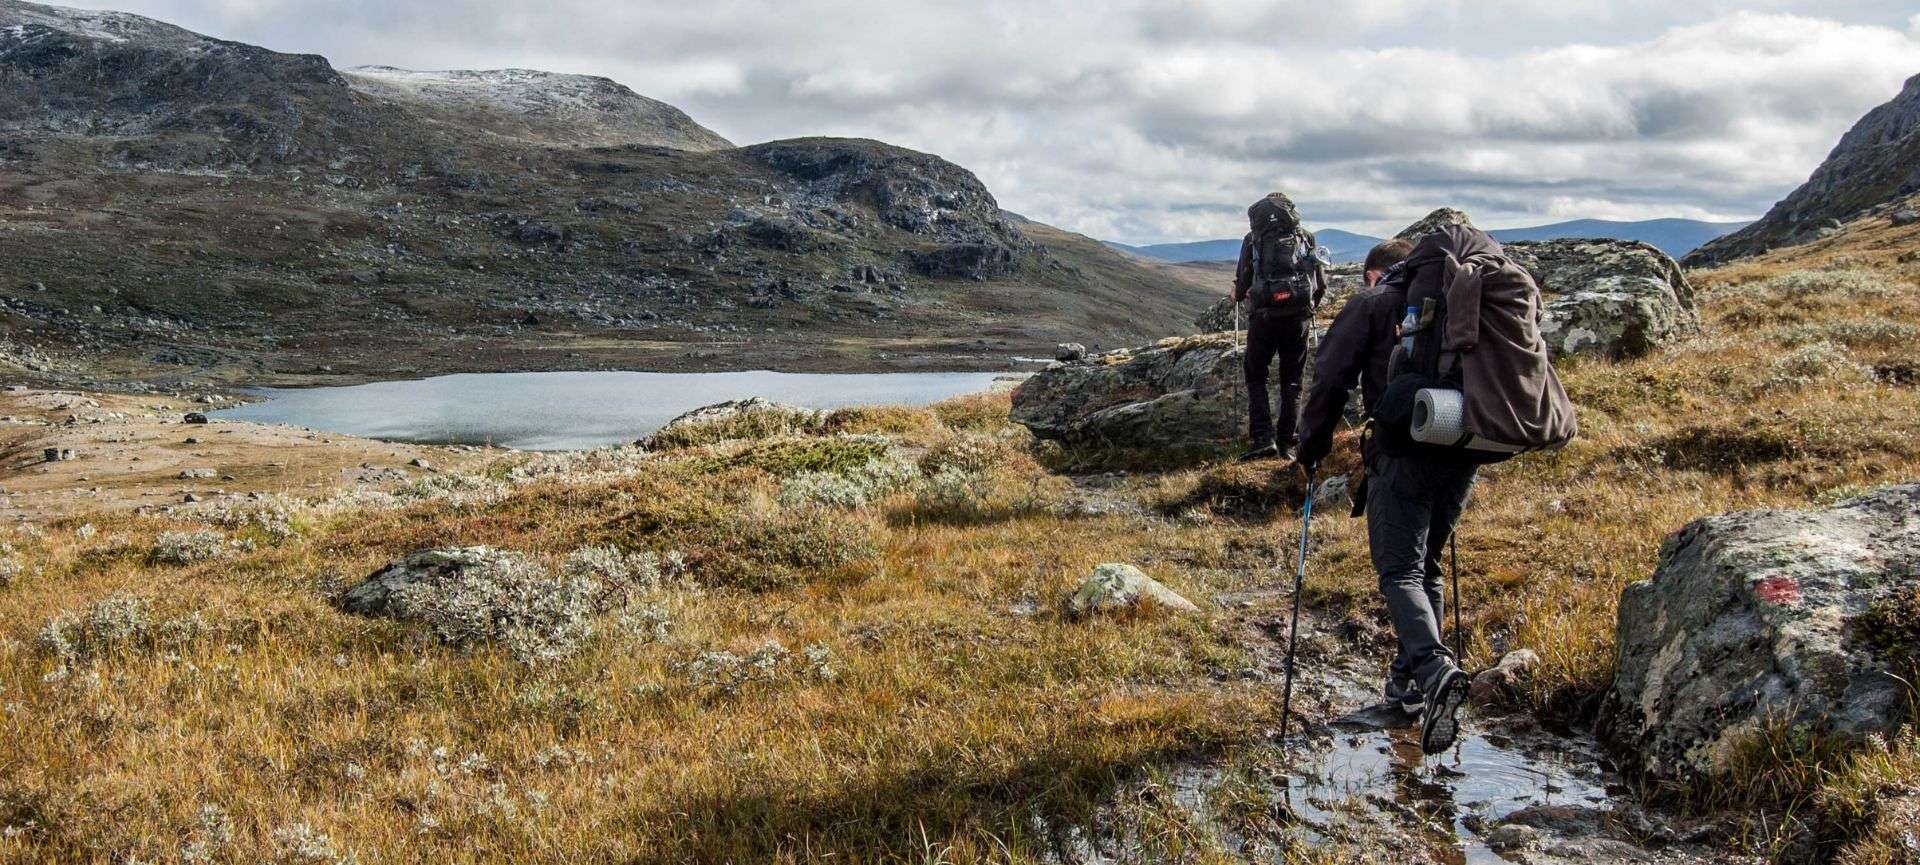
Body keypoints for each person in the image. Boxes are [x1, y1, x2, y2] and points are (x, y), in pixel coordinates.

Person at [1295, 226, 1574, 755]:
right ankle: (1408, 693)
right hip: (1468, 442)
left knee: (1399, 568)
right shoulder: (1478, 295)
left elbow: (1329, 379)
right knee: (1428, 567)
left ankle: (1433, 670)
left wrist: (1310, 448)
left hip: (1405, 449)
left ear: (1380, 271)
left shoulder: (1377, 301)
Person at [1232, 193, 1328, 462]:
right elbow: (1319, 283)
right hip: (1298, 318)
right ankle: (1288, 443)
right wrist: (1310, 309)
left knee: (1256, 376)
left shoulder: (1252, 240)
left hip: (1264, 318)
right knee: (1293, 380)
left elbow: (1242, 284)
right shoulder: (1305, 237)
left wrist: (1238, 295)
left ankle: (1263, 439)